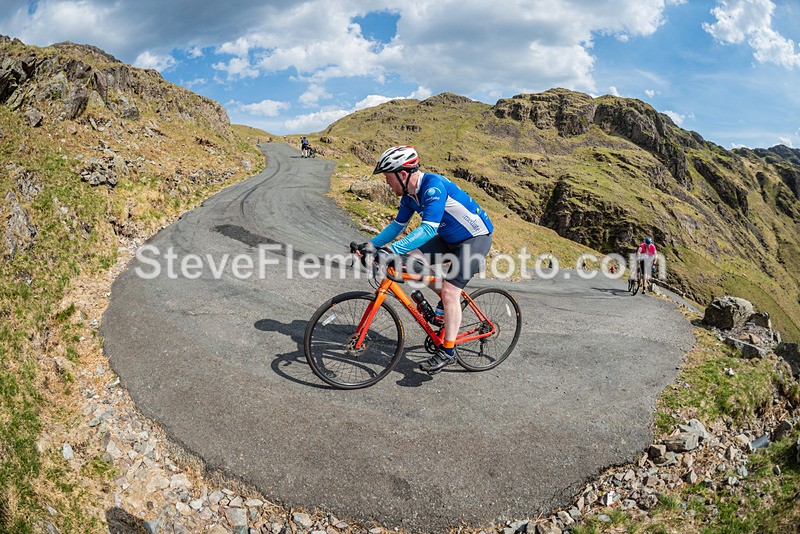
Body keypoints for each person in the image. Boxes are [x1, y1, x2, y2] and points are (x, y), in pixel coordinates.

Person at [357, 145, 493, 374]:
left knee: (451, 291)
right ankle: (445, 304)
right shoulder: (410, 196)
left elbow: (428, 229)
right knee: (410, 260)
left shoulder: (433, 187)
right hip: (449, 238)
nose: (387, 183)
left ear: (402, 174)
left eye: (388, 177)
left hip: (475, 239)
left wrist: (390, 251)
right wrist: (372, 245)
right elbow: (397, 226)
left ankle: (448, 351)